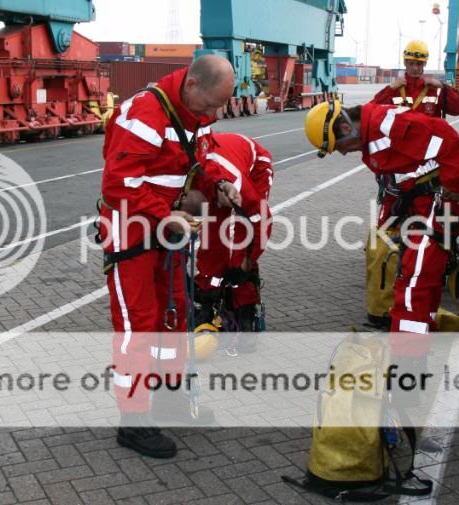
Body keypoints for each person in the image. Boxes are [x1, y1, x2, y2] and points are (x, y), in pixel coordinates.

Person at [99, 55, 239, 458]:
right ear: (192, 85)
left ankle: (171, 399)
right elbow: (117, 185)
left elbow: (199, 160)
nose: (213, 114)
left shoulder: (192, 112)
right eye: (209, 105)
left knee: (176, 316)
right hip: (133, 239)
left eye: (219, 107)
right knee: (138, 327)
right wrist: (167, 215)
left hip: (168, 235)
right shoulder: (143, 113)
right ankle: (134, 421)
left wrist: (219, 183)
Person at [304, 99, 459, 356]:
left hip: (436, 206)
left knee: (413, 285)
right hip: (419, 206)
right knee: (422, 280)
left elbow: (445, 136)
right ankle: (423, 332)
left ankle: (407, 363)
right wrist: (389, 222)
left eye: (338, 146)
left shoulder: (389, 125)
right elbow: (398, 174)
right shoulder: (373, 133)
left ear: (346, 128)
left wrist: (455, 187)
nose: (342, 152)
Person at [364, 41, 459, 329]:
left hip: (432, 165)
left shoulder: (435, 90)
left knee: (436, 216)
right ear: (405, 62)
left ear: (424, 64)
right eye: (411, 62)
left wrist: (444, 88)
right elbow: (373, 108)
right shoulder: (395, 90)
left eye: (419, 63)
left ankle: (436, 259)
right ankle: (386, 265)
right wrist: (390, 87)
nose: (415, 68)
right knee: (390, 217)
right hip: (399, 166)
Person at [194, 132, 274, 353]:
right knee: (212, 240)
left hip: (254, 167)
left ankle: (245, 311)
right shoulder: (199, 177)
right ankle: (209, 300)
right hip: (219, 177)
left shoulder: (239, 186)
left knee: (241, 242)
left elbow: (261, 221)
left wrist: (247, 260)